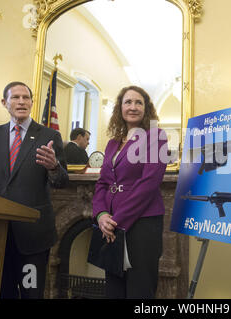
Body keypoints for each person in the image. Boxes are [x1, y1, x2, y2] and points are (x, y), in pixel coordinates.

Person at [0, 81, 69, 298]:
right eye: (15, 97)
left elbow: (62, 182)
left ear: (32, 103)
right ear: (4, 103)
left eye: (26, 97)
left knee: (31, 292)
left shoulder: (48, 136)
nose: (21, 101)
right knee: (2, 292)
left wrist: (54, 167)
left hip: (33, 236)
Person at [91, 85, 168, 299]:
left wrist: (116, 221)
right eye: (128, 102)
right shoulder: (112, 144)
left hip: (141, 223)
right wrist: (101, 215)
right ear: (120, 108)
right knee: (114, 288)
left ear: (146, 108)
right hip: (110, 223)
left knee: (140, 289)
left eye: (138, 102)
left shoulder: (156, 136)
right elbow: (102, 184)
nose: (133, 107)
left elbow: (149, 183)